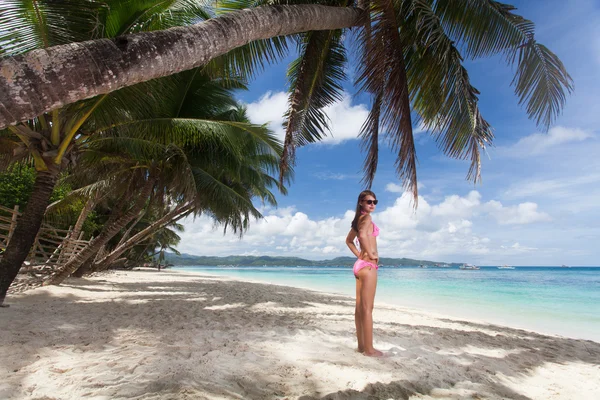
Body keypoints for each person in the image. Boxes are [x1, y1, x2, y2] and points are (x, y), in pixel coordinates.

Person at [345, 190, 383, 357]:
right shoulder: (366, 218)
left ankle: (361, 346)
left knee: (360, 308)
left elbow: (349, 241)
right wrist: (371, 254)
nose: (372, 205)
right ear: (361, 202)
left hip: (360, 265)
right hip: (368, 266)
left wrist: (359, 255)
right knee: (368, 309)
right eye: (369, 202)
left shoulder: (358, 220)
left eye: (375, 202)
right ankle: (369, 350)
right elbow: (360, 236)